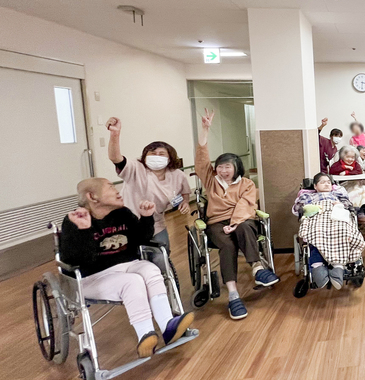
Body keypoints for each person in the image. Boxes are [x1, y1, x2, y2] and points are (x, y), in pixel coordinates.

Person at [60, 178, 194, 358]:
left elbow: (141, 240)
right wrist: (84, 231)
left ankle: (167, 325)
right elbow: (74, 261)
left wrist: (146, 217)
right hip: (92, 277)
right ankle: (145, 335)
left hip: (128, 265)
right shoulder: (75, 220)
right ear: (92, 197)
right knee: (132, 281)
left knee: (150, 269)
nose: (117, 190)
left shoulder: (122, 213)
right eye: (110, 187)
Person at [197, 109, 279, 320]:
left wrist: (234, 223)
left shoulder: (247, 184)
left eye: (228, 167)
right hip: (216, 222)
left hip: (242, 220)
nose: (223, 171)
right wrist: (205, 130)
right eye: (220, 167)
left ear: (236, 168)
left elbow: (246, 204)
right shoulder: (210, 181)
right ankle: (233, 295)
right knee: (228, 245)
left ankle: (257, 268)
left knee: (243, 227)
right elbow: (201, 160)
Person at [105, 117, 190, 253]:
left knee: (161, 255)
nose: (156, 156)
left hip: (156, 223)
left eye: (161, 154)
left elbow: (184, 193)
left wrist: (184, 202)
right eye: (152, 153)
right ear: (145, 156)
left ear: (169, 158)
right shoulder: (136, 168)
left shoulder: (178, 175)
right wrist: (115, 134)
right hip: (130, 222)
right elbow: (115, 158)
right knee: (133, 256)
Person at [296, 173, 365, 290]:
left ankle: (338, 265)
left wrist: (340, 205)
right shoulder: (308, 197)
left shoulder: (338, 195)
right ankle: (318, 266)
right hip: (318, 218)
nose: (326, 184)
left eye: (328, 182)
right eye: (322, 182)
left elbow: (349, 207)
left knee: (343, 232)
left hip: (337, 217)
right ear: (315, 186)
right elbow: (299, 209)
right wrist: (311, 208)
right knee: (317, 233)